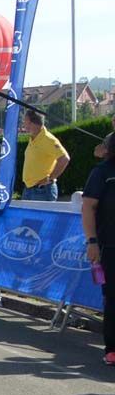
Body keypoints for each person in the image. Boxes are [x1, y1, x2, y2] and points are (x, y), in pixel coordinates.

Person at [81, 132, 115, 366]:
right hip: (109, 245)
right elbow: (88, 208)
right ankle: (112, 349)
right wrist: (92, 241)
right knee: (113, 299)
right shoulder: (102, 173)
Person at [21, 110, 70, 201]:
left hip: (42, 190)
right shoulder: (33, 137)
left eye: (25, 121)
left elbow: (64, 158)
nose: (24, 124)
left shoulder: (48, 139)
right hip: (30, 188)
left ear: (32, 123)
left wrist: (50, 178)